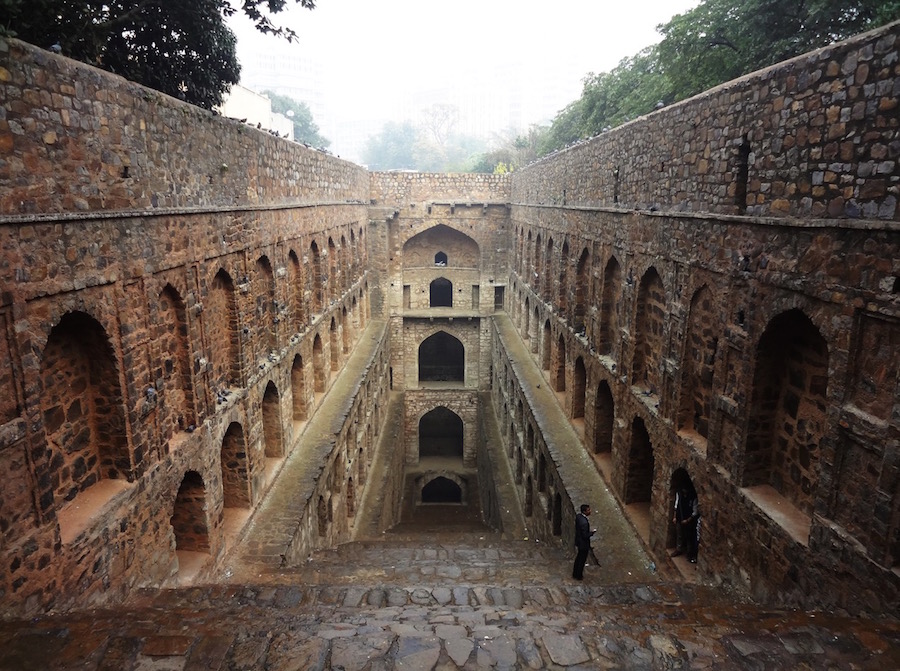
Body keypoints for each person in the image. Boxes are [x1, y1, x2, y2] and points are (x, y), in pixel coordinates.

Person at [672, 487, 700, 563]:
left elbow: (695, 512)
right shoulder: (679, 494)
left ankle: (689, 553)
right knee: (679, 534)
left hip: (688, 521)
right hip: (679, 518)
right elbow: (676, 505)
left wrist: (687, 520)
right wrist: (675, 517)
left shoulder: (693, 498)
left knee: (689, 537)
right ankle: (679, 549)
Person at [572, 503, 595, 580]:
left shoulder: (578, 517)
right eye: (588, 510)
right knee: (582, 559)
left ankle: (575, 573)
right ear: (584, 512)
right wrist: (592, 533)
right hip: (583, 544)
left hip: (578, 541)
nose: (590, 511)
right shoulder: (584, 523)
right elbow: (585, 535)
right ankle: (578, 575)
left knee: (578, 558)